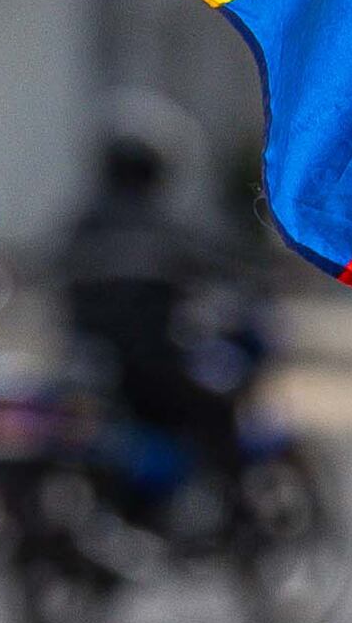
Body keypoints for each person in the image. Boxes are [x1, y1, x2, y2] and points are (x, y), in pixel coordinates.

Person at [59, 131, 249, 494]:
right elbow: (212, 262)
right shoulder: (158, 226)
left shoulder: (85, 223)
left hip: (93, 360)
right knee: (218, 410)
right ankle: (219, 495)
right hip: (148, 366)